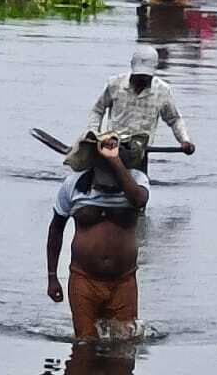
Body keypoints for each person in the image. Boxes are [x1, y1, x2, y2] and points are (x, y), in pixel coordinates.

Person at [46, 134, 149, 340]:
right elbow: (55, 230)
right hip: (84, 279)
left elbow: (138, 200)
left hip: (123, 281)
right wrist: (52, 277)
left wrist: (115, 160)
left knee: (124, 346)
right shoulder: (74, 185)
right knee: (84, 344)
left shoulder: (136, 180)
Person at [84, 45, 195, 153]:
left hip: (140, 149)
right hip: (113, 145)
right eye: (139, 76)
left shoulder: (162, 90)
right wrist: (94, 133)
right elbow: (98, 110)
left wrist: (184, 140)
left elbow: (174, 119)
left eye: (145, 77)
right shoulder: (115, 84)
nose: (141, 80)